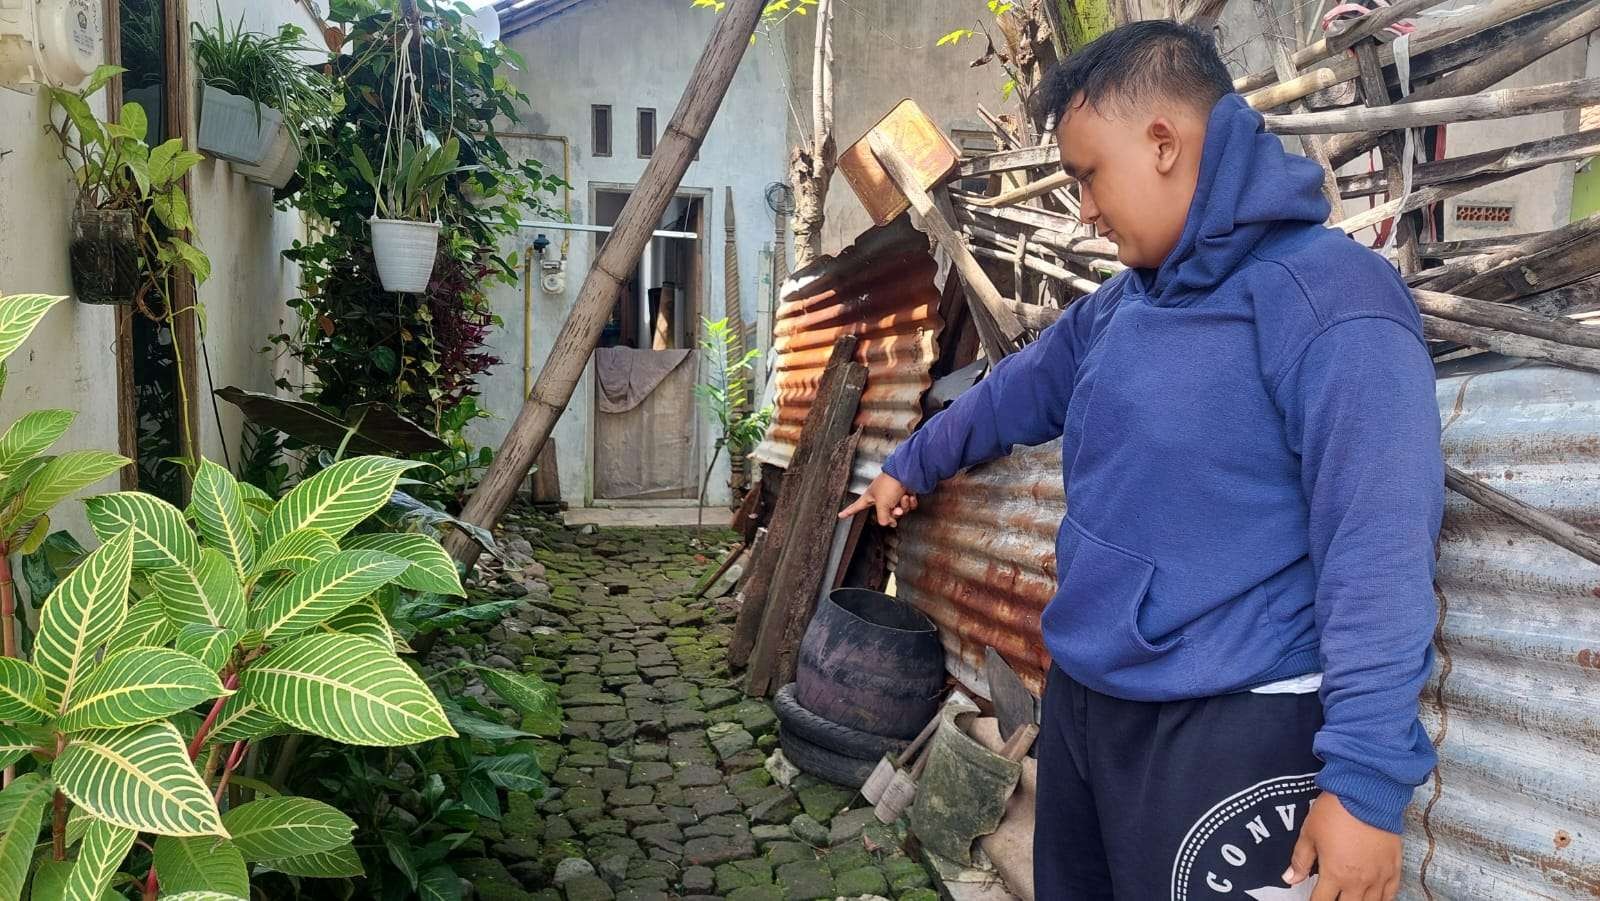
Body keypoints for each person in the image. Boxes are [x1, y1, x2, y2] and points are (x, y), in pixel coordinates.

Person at [840, 20, 1443, 901]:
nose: (1083, 206)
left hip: (1236, 720)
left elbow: (1381, 547)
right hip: (1091, 701)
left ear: (1164, 143)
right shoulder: (1123, 308)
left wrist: (1365, 786)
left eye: (1088, 174)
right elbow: (1013, 393)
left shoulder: (1331, 305)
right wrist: (912, 463)